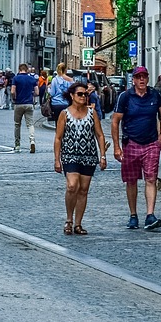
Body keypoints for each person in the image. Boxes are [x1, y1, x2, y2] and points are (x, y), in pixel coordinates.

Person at [111, 66, 161, 231]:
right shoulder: (125, 97)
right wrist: (116, 147)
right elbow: (115, 121)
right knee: (131, 181)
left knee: (151, 179)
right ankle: (133, 215)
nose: (142, 80)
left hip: (151, 143)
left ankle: (150, 215)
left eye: (144, 77)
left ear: (147, 79)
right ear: (134, 80)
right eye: (138, 77)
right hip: (131, 143)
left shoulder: (154, 95)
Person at [54, 80, 107, 235]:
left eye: (85, 94)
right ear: (72, 95)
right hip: (69, 155)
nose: (83, 96)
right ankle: (68, 220)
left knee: (83, 190)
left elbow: (99, 134)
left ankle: (78, 224)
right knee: (72, 186)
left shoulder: (92, 113)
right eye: (80, 94)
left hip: (89, 155)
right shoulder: (64, 114)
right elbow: (58, 138)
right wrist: (57, 159)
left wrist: (102, 155)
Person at [11, 63, 39, 153]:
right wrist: (31, 95)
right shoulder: (32, 79)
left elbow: (12, 91)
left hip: (18, 103)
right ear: (27, 70)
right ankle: (32, 141)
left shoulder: (16, 78)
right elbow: (37, 92)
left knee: (17, 124)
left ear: (19, 69)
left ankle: (17, 144)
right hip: (29, 104)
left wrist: (15, 97)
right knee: (30, 124)